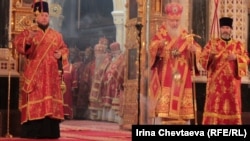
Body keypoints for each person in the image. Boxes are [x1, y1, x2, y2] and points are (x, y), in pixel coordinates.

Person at [13, 1, 69, 139]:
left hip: (51, 76)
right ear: (36, 16)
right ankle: (33, 132)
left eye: (46, 15)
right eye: (42, 15)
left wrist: (61, 54)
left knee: (50, 103)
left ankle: (50, 132)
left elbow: (64, 48)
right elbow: (20, 48)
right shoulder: (28, 32)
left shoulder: (56, 35)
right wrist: (29, 39)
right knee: (35, 100)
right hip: (35, 74)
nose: (44, 18)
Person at [148, 2, 202, 125]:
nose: (175, 23)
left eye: (177, 20)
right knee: (164, 110)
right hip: (165, 75)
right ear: (167, 19)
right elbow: (152, 48)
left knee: (181, 111)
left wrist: (194, 51)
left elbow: (197, 49)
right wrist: (159, 46)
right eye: (172, 21)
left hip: (182, 78)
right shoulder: (161, 33)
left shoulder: (185, 34)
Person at [199, 17, 249, 125]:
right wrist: (211, 56)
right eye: (223, 28)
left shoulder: (238, 45)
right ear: (220, 29)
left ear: (231, 30)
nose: (225, 30)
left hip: (232, 88)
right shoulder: (212, 44)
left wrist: (236, 57)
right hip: (216, 88)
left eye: (227, 28)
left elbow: (247, 59)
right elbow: (202, 59)